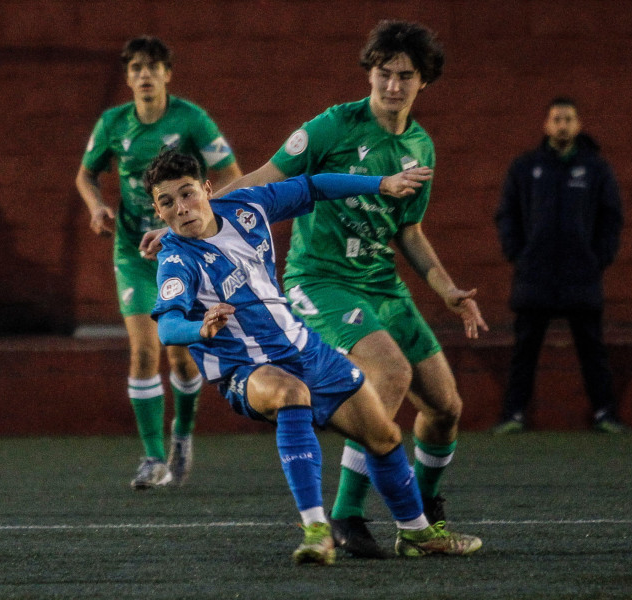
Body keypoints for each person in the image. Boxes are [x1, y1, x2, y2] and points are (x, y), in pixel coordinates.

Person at [143, 20, 486, 558]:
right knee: (374, 376)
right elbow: (265, 173)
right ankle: (331, 523)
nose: (392, 85)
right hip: (319, 283)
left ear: (423, 82)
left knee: (438, 410)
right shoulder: (332, 126)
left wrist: (443, 286)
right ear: (369, 73)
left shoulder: (419, 147)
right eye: (383, 73)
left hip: (372, 289)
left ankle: (421, 524)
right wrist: (180, 238)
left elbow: (341, 200)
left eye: (405, 76)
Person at [75, 36, 242, 490]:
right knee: (144, 350)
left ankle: (181, 435)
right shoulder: (113, 124)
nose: (144, 76)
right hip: (133, 251)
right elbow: (86, 173)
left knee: (182, 358)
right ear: (128, 77)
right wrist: (95, 206)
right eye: (135, 69)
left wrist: (201, 215)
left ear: (168, 73)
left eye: (152, 67)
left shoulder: (191, 119)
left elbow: (231, 174)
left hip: (181, 252)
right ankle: (152, 459)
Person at [493, 97, 625, 434]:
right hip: (534, 276)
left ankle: (605, 414)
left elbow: (611, 217)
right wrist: (518, 254)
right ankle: (513, 416)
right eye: (556, 119)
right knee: (524, 350)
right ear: (546, 125)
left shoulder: (596, 168)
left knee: (592, 350)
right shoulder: (525, 167)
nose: (562, 125)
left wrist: (598, 258)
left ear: (578, 124)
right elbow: (506, 214)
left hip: (581, 277)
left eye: (568, 119)